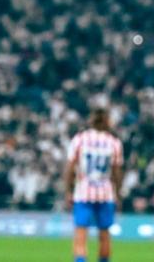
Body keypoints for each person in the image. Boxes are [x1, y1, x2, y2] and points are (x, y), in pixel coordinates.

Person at [65, 107, 124, 262]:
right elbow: (116, 172)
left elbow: (70, 168)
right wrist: (118, 194)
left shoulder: (79, 139)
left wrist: (68, 191)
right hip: (106, 193)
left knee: (80, 235)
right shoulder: (114, 142)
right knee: (104, 235)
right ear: (107, 121)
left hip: (83, 193)